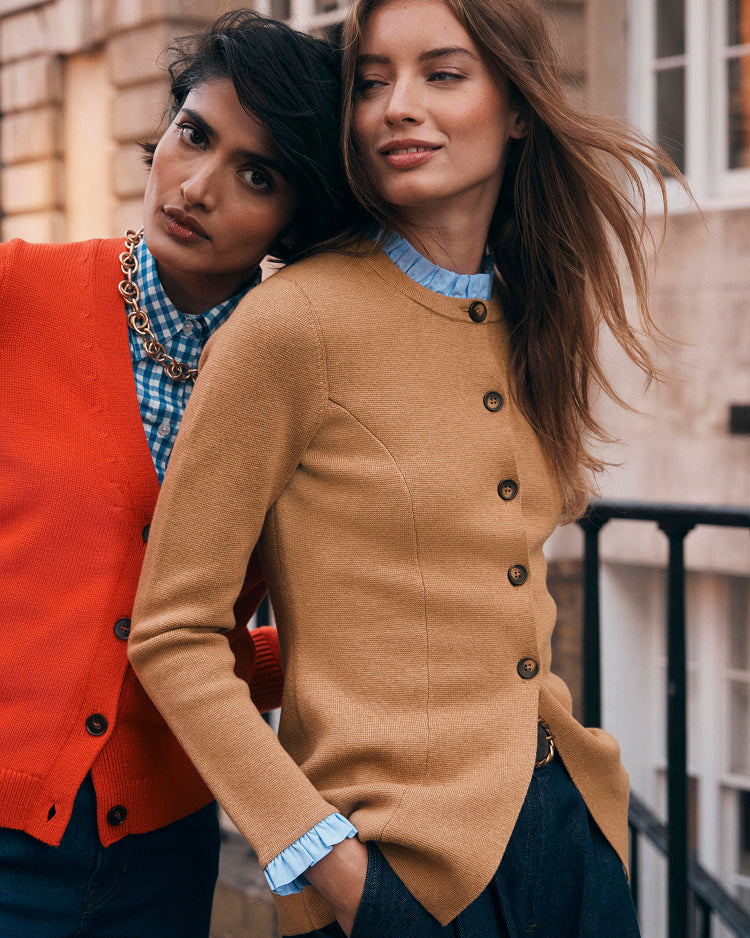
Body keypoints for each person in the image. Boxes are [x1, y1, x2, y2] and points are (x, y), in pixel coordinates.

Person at [128, 0, 679, 936]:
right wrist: (325, 863)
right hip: (396, 876)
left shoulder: (534, 312)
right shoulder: (292, 324)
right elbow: (172, 635)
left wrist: (591, 835)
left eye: (443, 74)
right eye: (373, 81)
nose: (396, 107)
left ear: (515, 106)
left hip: (572, 846)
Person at [0, 10, 358, 938]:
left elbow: (216, 632)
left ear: (296, 214)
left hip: (163, 850)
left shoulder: (300, 371)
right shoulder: (18, 294)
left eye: (257, 174)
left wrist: (251, 665)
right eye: (193, 134)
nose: (197, 186)